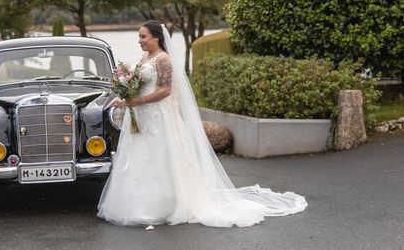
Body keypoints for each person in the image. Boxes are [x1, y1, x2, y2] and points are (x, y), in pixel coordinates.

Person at [98, 20, 307, 227]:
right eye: (139, 36)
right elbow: (140, 85)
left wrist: (139, 101)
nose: (139, 40)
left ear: (156, 38)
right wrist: (126, 100)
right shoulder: (145, 57)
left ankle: (164, 206)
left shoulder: (163, 59)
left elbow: (166, 90)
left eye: (143, 36)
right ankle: (137, 204)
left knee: (160, 157)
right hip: (142, 116)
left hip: (158, 117)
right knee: (140, 158)